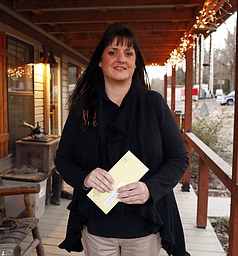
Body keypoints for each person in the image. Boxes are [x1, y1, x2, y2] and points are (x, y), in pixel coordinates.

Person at [55, 23, 190, 256]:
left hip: (144, 227)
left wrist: (150, 188)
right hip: (97, 227)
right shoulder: (83, 109)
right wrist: (85, 177)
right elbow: (63, 159)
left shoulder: (153, 104)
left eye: (128, 53)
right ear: (100, 61)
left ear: (135, 62)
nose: (121, 59)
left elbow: (179, 158)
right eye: (112, 52)